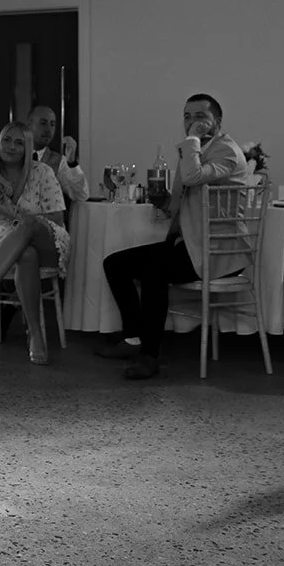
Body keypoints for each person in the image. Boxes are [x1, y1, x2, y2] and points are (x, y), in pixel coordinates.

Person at [95, 93, 248, 380]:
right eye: (187, 117)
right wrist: (164, 203)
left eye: (200, 116)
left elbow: (192, 177)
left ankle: (149, 356)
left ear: (218, 121)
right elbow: (187, 194)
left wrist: (190, 141)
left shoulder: (226, 150)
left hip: (220, 251)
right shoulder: (200, 149)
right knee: (115, 264)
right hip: (193, 243)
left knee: (155, 272)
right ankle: (133, 338)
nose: (192, 122)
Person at [0, 121, 71, 365]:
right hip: (6, 248)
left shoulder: (42, 172)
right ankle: (36, 336)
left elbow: (57, 219)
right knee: (25, 255)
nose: (11, 147)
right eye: (7, 140)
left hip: (49, 240)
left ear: (28, 148)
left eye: (19, 142)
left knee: (27, 224)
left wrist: (14, 216)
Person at [27, 105, 89, 202]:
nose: (48, 129)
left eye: (52, 124)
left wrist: (72, 163)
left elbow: (81, 196)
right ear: (29, 125)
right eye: (43, 123)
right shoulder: (14, 155)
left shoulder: (59, 161)